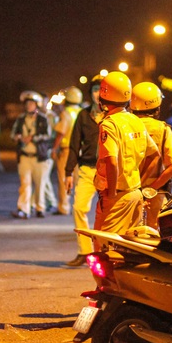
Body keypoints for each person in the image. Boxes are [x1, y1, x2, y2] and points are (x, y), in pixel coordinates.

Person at [94, 72, 159, 247]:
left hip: (117, 195)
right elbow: (155, 155)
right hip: (135, 193)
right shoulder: (136, 121)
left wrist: (112, 193)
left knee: (103, 246)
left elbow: (112, 161)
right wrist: (142, 183)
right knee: (128, 248)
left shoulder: (109, 125)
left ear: (104, 97)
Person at [64, 75, 104, 265]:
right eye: (95, 89)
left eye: (102, 89)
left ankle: (108, 253)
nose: (98, 94)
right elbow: (74, 145)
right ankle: (85, 251)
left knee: (109, 214)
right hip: (87, 170)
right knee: (79, 208)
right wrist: (67, 172)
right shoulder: (83, 115)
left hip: (110, 172)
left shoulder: (117, 116)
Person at [131, 82, 172, 228]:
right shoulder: (163, 129)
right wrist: (151, 188)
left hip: (129, 192)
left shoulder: (126, 127)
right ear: (157, 105)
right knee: (153, 237)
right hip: (155, 194)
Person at [11, 90, 51, 219]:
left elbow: (48, 135)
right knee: (25, 184)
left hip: (39, 156)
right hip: (24, 156)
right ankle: (23, 209)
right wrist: (17, 137)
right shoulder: (21, 119)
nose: (29, 106)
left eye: (31, 103)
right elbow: (13, 134)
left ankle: (40, 208)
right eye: (27, 103)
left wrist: (33, 137)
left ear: (37, 105)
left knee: (40, 184)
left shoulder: (43, 119)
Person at [51, 86, 83, 215]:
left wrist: (54, 148)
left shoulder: (65, 113)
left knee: (64, 178)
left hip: (67, 151)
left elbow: (61, 133)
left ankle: (64, 207)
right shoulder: (83, 112)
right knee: (79, 180)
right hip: (81, 152)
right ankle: (79, 206)